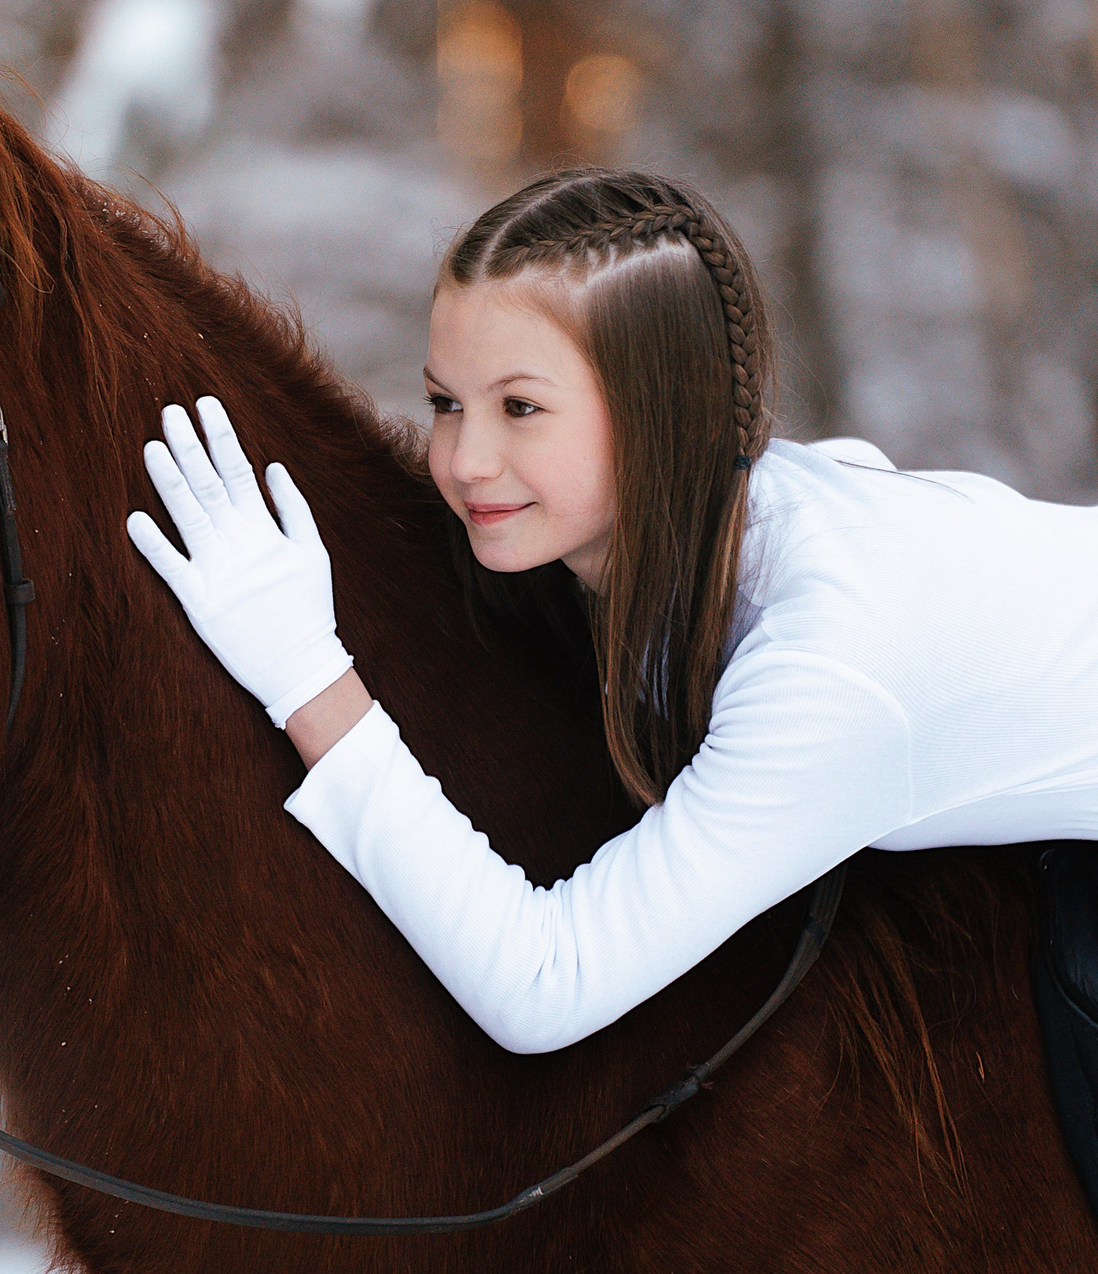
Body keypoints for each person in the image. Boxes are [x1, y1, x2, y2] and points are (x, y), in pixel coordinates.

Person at [126, 166, 1098, 1205]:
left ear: (659, 410)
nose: (463, 459)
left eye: (521, 408)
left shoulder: (829, 669)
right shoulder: (715, 538)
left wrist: (306, 676)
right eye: (445, 403)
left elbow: (545, 986)